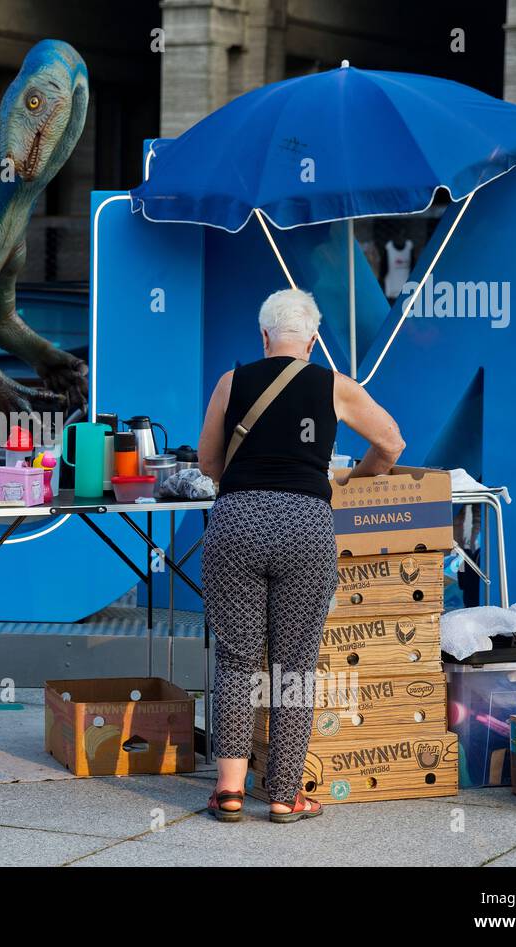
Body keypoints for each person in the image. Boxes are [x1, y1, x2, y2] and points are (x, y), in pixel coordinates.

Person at [197, 288, 404, 823]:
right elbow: (392, 443)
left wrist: (245, 481)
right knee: (294, 665)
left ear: (264, 337)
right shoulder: (334, 385)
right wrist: (356, 478)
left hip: (236, 523)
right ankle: (286, 794)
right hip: (305, 527)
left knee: (237, 658)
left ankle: (229, 791)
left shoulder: (232, 381)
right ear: (313, 340)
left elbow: (207, 461)